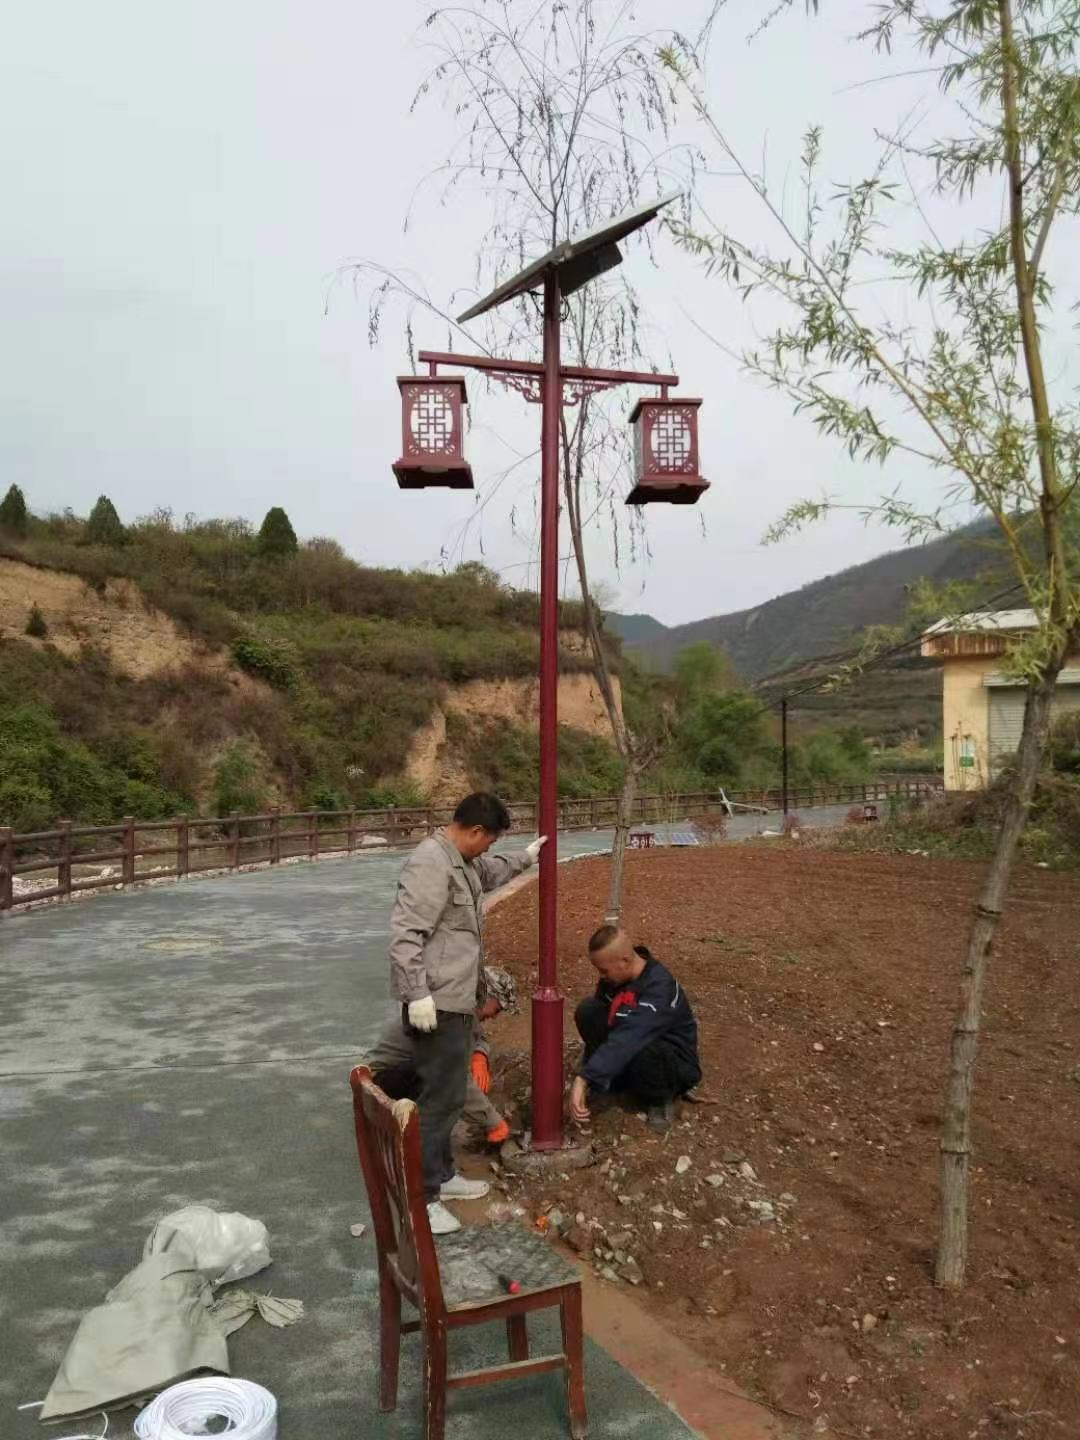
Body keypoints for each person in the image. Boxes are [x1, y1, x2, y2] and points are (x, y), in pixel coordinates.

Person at [389, 791, 545, 1235]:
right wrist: (416, 993)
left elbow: (490, 871)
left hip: (455, 1001)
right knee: (438, 1103)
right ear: (475, 831)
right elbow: (406, 933)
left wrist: (526, 858)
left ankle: (440, 1175)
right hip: (435, 1005)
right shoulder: (430, 864)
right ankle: (422, 1198)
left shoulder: (463, 862)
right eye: (489, 841)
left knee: (451, 1097)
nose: (488, 851)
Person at [569, 924, 701, 1134]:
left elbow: (630, 1037)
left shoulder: (659, 989)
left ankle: (659, 1099)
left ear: (625, 961)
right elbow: (608, 1020)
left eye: (604, 970)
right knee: (589, 1011)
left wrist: (584, 1078)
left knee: (644, 1046)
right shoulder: (616, 979)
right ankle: (613, 1082)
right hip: (633, 1046)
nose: (601, 976)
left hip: (671, 1064)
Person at [366, 965, 515, 1146]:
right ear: (485, 996)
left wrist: (479, 1054)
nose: (495, 1016)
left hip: (387, 1077)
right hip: (384, 1084)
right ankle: (426, 1151)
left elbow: (477, 1034)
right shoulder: (450, 1017)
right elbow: (454, 1077)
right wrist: (493, 1122)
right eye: (498, 1009)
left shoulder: (452, 1003)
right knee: (447, 1079)